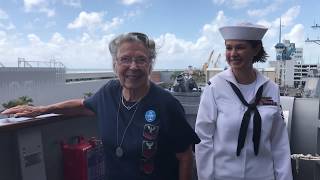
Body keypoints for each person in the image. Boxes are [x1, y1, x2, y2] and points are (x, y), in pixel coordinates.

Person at [2, 32, 200, 180]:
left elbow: (185, 156)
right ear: (115, 64)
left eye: (141, 59)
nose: (133, 66)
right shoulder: (110, 91)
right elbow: (82, 105)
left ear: (150, 64)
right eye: (125, 59)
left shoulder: (166, 104)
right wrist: (42, 110)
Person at [195, 23, 293, 180]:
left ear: (255, 49)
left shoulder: (270, 88)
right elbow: (204, 139)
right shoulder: (214, 87)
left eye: (239, 47)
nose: (233, 53)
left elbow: (279, 142)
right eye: (229, 48)